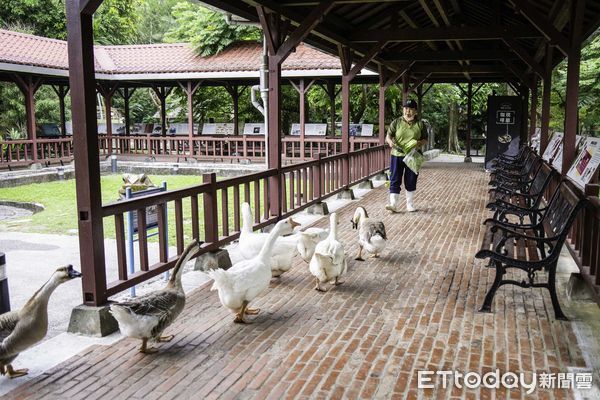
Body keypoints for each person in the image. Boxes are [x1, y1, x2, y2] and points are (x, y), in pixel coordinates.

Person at [385, 99, 428, 212]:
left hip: (413, 155)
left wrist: (419, 144)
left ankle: (410, 204)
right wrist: (390, 142)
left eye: (410, 109)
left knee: (411, 179)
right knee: (395, 178)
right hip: (397, 154)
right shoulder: (396, 122)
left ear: (415, 112)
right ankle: (393, 204)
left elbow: (425, 139)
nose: (407, 111)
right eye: (405, 109)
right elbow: (388, 137)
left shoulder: (420, 124)